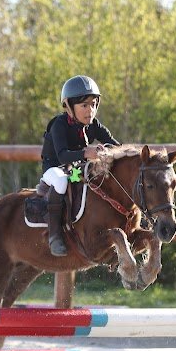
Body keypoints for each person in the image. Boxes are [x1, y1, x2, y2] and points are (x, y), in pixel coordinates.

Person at [40, 75, 120, 256]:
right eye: (84, 105)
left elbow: (115, 145)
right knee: (61, 183)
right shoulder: (58, 125)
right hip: (54, 168)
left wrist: (126, 154)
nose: (90, 110)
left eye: (93, 104)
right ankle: (54, 236)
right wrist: (87, 153)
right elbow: (62, 156)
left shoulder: (94, 125)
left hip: (75, 168)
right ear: (69, 106)